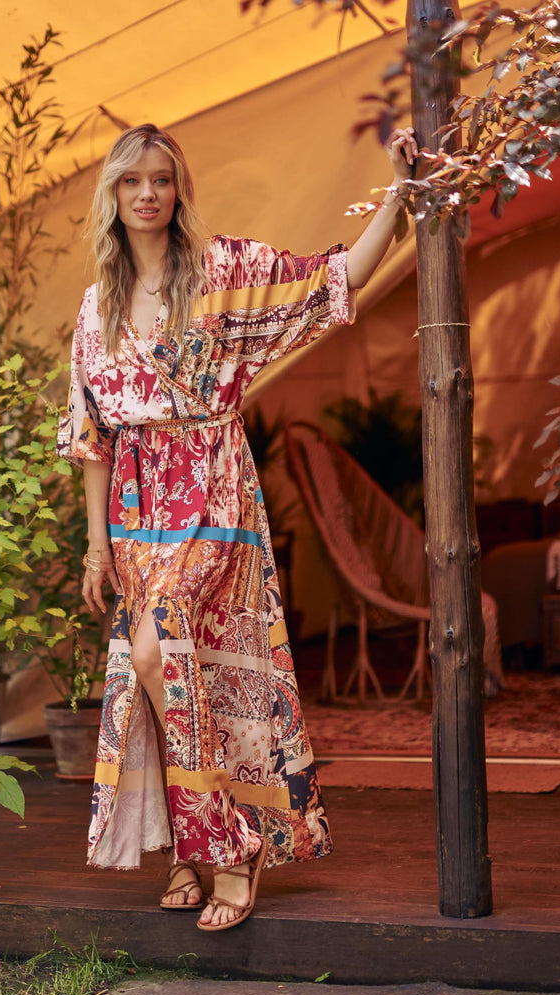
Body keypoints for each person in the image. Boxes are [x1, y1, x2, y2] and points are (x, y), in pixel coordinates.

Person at [57, 123, 418, 931]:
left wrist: (398, 192)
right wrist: (95, 546)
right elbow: (90, 438)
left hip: (213, 489)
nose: (147, 193)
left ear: (178, 189)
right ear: (112, 195)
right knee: (179, 676)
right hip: (135, 512)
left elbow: (336, 280)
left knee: (157, 654)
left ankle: (231, 841)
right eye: (131, 181)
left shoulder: (223, 271)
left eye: (160, 179)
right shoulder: (96, 304)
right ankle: (192, 847)